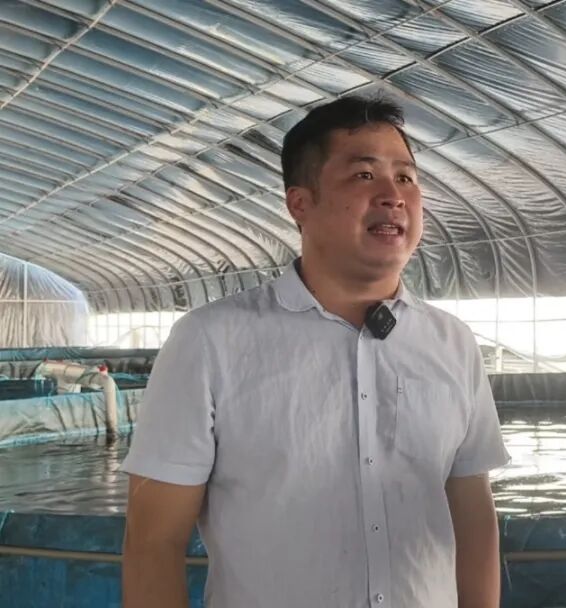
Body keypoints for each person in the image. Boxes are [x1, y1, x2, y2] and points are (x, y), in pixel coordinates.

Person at [120, 95, 510, 608]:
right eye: (364, 175)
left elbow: (473, 518)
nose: (394, 196)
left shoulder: (452, 342)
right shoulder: (210, 341)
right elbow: (154, 543)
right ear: (300, 204)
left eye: (406, 177)